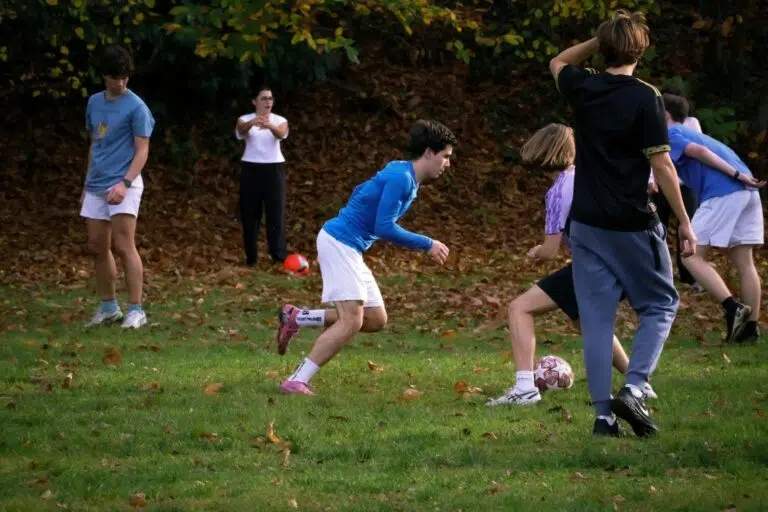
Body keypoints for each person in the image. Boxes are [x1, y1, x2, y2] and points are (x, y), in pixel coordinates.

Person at [549, 10, 697, 437]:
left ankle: (603, 419)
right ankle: (633, 388)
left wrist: (601, 40)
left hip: (585, 223)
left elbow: (558, 61)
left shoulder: (584, 86)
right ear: (640, 50)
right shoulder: (645, 96)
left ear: (606, 47)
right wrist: (684, 221)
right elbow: (662, 164)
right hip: (630, 222)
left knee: (597, 320)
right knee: (661, 303)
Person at [275, 120, 455, 395]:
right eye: (445, 156)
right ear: (429, 153)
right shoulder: (401, 178)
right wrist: (427, 244)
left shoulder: (404, 174)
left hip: (349, 246)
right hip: (340, 242)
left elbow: (361, 190)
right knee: (352, 320)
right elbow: (384, 227)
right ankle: (296, 380)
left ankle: (298, 318)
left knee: (375, 319)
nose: (447, 163)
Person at [486, 123, 656, 407]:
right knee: (586, 322)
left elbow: (550, 250)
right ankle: (639, 384)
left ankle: (525, 388)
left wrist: (536, 253)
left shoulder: (559, 190)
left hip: (596, 266)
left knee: (519, 308)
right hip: (629, 262)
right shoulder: (591, 176)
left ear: (541, 152)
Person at [663, 93, 765, 342]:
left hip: (724, 191)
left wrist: (735, 175)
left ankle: (733, 308)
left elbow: (697, 152)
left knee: (690, 255)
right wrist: (740, 176)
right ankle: (749, 330)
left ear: (664, 115)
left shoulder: (670, 134)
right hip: (747, 191)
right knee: (744, 261)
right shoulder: (693, 133)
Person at [81, 44, 155, 329]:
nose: (121, 83)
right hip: (96, 184)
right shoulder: (94, 103)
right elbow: (95, 145)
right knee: (97, 246)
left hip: (125, 182)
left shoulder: (137, 107)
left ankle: (136, 310)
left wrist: (124, 184)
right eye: (116, 77)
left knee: (124, 245)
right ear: (104, 75)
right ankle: (109, 308)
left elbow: (142, 150)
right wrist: (86, 185)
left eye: (125, 77)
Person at [647, 86, 703, 288]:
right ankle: (658, 272)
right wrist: (650, 179)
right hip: (660, 184)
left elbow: (696, 151)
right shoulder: (653, 123)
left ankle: (689, 274)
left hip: (686, 186)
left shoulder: (691, 123)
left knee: (687, 227)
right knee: (657, 227)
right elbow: (650, 154)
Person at [234, 86, 289, 267]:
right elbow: (241, 130)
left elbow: (282, 133)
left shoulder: (279, 120)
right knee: (250, 213)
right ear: (254, 101)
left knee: (275, 213)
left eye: (270, 98)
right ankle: (251, 258)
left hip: (274, 169)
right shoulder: (245, 119)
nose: (268, 102)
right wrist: (253, 123)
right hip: (251, 168)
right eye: (263, 98)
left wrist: (269, 125)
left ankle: (278, 256)